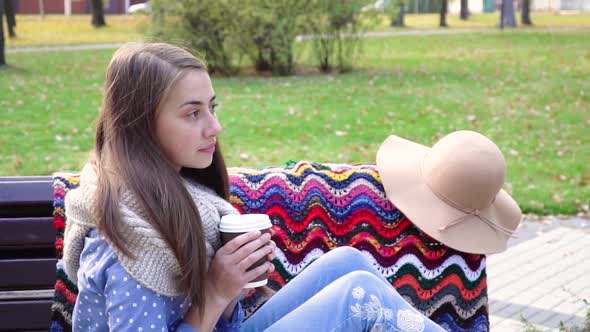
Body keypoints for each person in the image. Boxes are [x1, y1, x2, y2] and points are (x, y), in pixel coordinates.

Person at [63, 42, 445, 332]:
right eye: (193, 113)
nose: (214, 128)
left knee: (349, 263)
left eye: (212, 108)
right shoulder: (127, 240)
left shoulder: (178, 196)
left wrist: (232, 286)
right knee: (357, 295)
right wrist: (216, 292)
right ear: (142, 123)